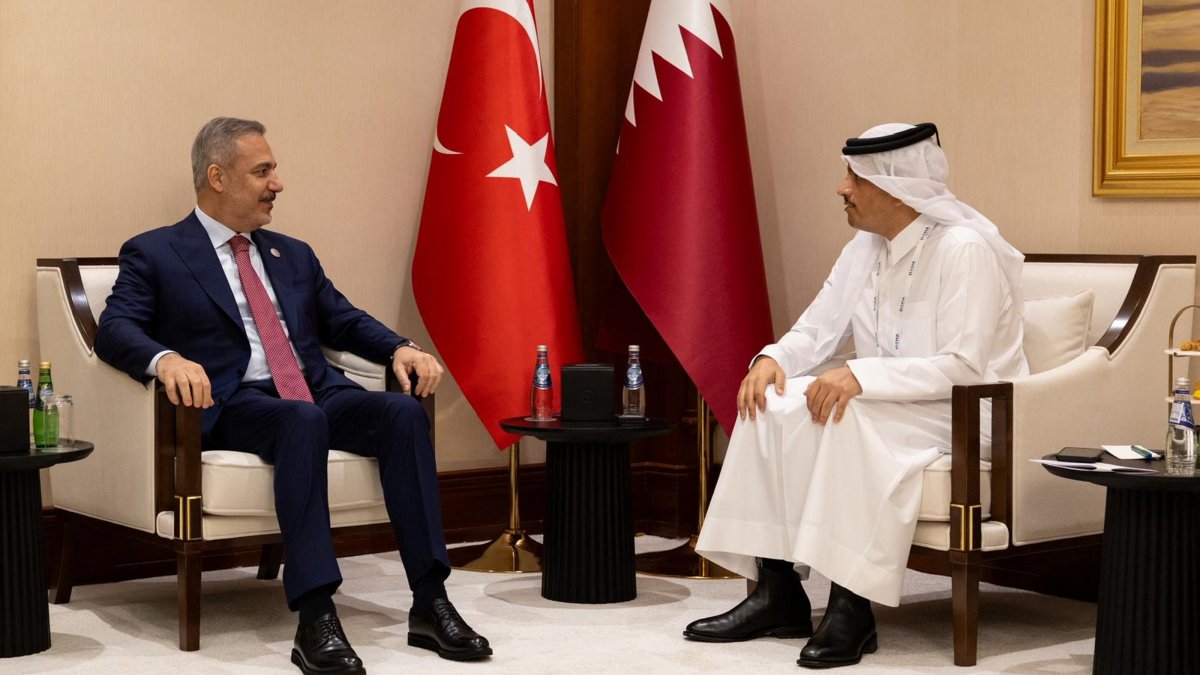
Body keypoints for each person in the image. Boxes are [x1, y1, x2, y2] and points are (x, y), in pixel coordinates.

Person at [96, 117, 491, 674]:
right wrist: (168, 360)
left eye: (273, 169)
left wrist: (399, 346)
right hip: (236, 403)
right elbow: (115, 328)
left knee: (401, 413)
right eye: (262, 171)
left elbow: (343, 321)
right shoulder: (156, 252)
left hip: (314, 388)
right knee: (300, 420)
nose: (277, 183)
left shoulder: (292, 254)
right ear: (217, 177)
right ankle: (315, 615)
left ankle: (430, 602)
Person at [686, 123, 1027, 668]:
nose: (842, 188)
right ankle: (776, 592)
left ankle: (851, 607)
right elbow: (819, 327)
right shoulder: (866, 247)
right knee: (770, 400)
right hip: (891, 402)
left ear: (895, 187)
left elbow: (964, 367)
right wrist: (773, 359)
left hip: (967, 413)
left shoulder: (965, 250)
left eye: (854, 177)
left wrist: (862, 378)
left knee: (846, 414)